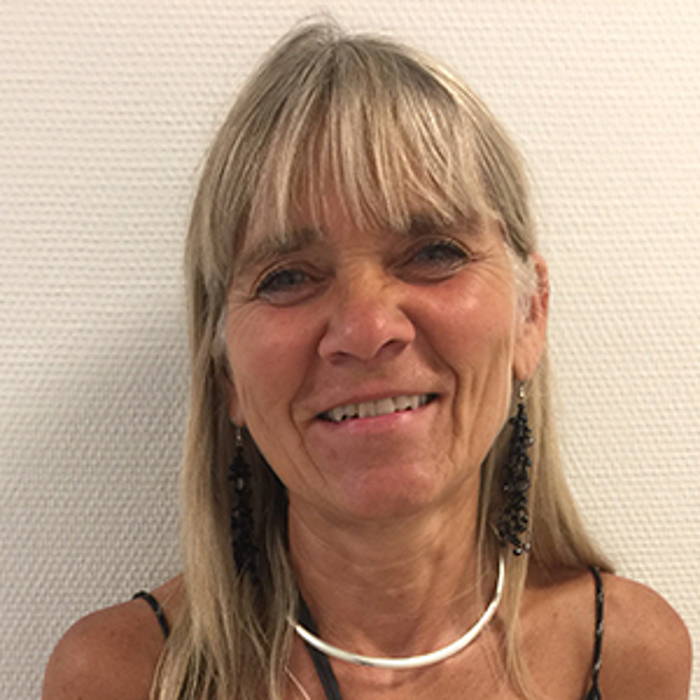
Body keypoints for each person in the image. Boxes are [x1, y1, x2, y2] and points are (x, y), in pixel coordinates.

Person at [42, 20, 691, 700]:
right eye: (288, 276)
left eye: (434, 252)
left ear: (531, 313)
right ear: (224, 368)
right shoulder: (124, 677)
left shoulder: (625, 654)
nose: (366, 328)